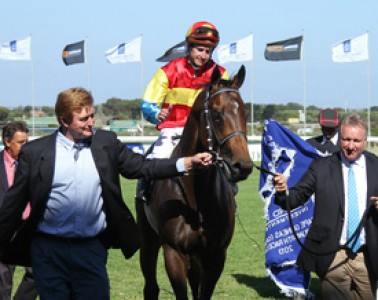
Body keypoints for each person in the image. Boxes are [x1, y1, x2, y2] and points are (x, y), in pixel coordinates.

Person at [0, 87, 213, 300]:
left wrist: (187, 162)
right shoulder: (35, 152)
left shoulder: (106, 143)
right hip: (48, 252)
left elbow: (143, 167)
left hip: (91, 250)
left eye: (92, 115)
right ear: (64, 121)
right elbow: (12, 204)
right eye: (84, 119)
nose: (91, 122)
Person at [273, 112, 378, 299]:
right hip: (333, 255)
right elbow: (295, 198)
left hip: (368, 256)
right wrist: (283, 191)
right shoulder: (320, 167)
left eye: (356, 140)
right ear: (339, 138)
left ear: (365, 140)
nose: (350, 146)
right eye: (346, 139)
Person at [141, 20, 229, 159]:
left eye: (208, 51)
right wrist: (157, 114)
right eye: (199, 50)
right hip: (172, 131)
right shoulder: (168, 70)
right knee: (156, 162)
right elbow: (148, 103)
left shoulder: (221, 74)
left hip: (206, 134)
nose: (203, 55)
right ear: (189, 47)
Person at [0, 121, 37, 300]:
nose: (25, 146)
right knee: (3, 279)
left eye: (27, 142)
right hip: (5, 228)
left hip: (30, 227)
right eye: (21, 142)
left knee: (37, 272)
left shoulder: (33, 163)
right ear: (7, 142)